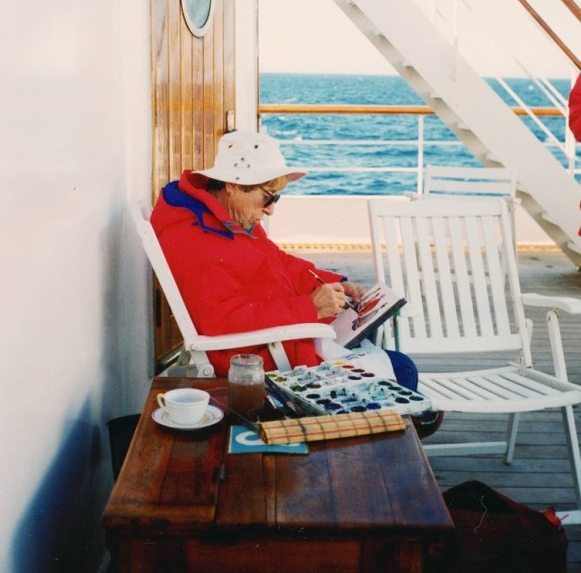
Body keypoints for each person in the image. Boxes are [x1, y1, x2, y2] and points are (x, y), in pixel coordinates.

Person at [151, 130, 418, 387]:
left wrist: (333, 282)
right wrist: (310, 308)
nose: (271, 211)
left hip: (280, 337)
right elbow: (222, 320)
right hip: (260, 356)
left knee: (373, 335)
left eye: (276, 198)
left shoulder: (224, 217)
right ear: (233, 185)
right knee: (401, 369)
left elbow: (277, 262)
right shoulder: (195, 239)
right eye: (267, 198)